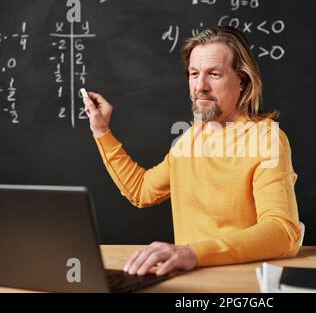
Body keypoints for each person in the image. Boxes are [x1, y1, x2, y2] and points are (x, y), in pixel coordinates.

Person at [83, 26, 302, 277]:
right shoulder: (190, 139)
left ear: (242, 80)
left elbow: (282, 232)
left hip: (240, 281)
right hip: (190, 277)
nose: (200, 86)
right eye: (194, 73)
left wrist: (193, 253)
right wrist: (101, 131)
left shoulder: (265, 137)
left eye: (214, 74)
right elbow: (141, 191)